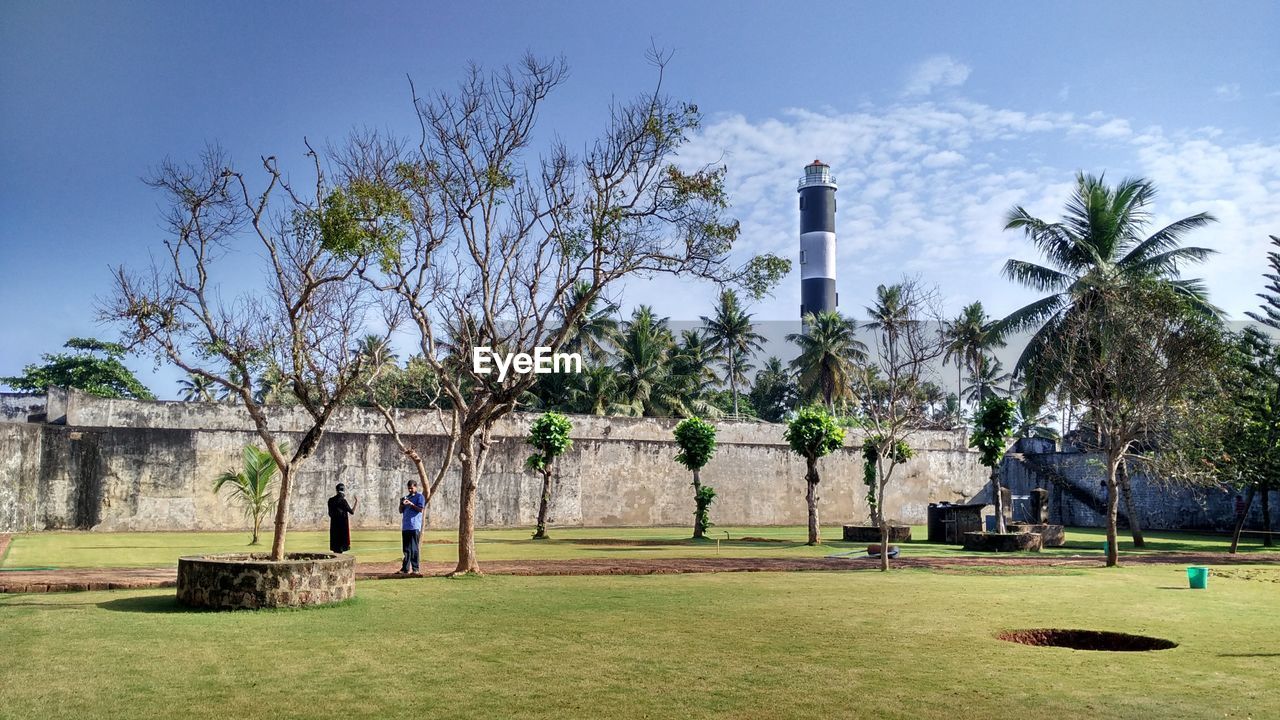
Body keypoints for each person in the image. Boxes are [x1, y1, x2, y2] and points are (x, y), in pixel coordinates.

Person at [398, 480, 426, 574]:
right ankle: (405, 569)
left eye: (412, 488)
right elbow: (400, 511)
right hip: (406, 526)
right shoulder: (405, 497)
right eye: (409, 488)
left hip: (414, 526)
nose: (410, 490)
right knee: (406, 549)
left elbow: (420, 509)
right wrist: (402, 504)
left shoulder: (420, 497)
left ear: (416, 487)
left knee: (414, 548)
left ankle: (415, 569)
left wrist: (411, 504)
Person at [327, 483, 358, 554]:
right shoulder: (343, 501)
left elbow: (330, 513)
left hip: (334, 525)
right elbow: (352, 512)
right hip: (342, 526)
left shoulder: (330, 500)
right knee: (341, 545)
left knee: (335, 545)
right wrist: (356, 502)